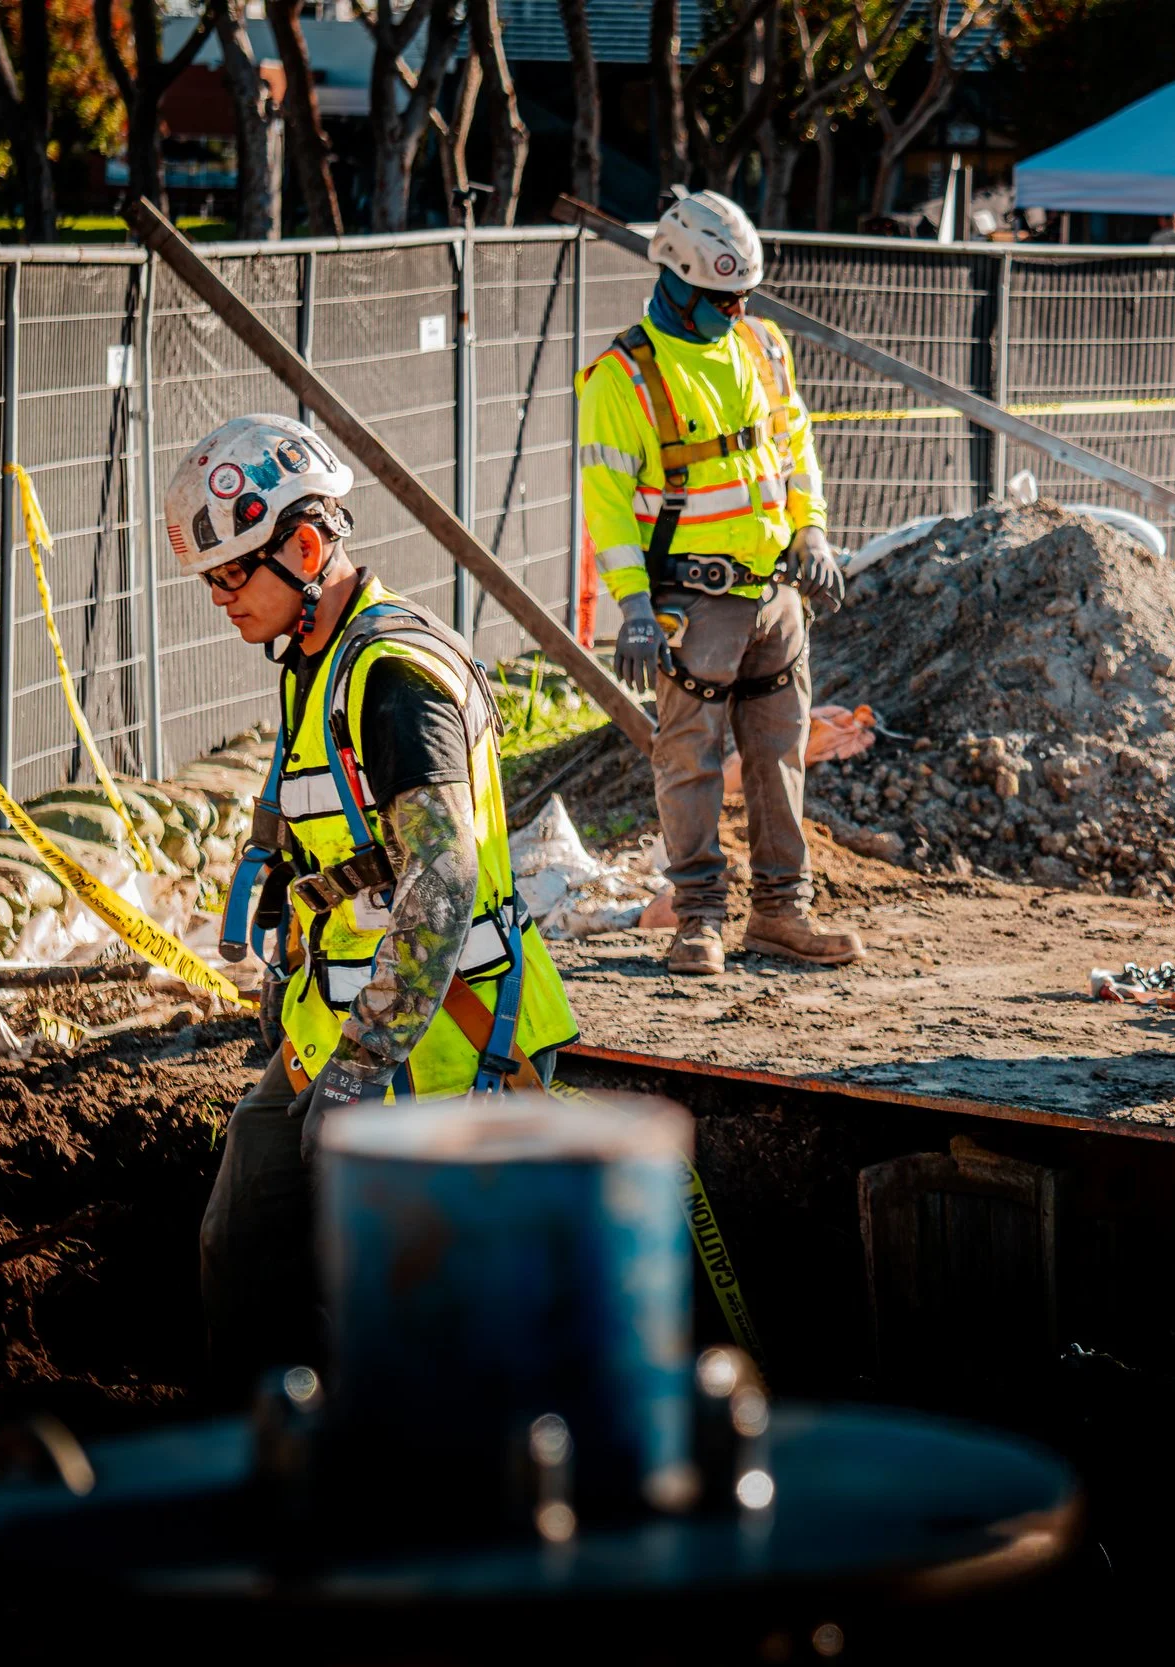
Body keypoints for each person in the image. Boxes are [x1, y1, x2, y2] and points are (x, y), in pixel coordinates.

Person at [181, 413, 581, 1385]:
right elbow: (348, 854)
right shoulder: (315, 660)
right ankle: (261, 1450)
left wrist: (362, 1065)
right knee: (252, 1208)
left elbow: (439, 884)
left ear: (306, 547)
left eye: (231, 575)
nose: (219, 600)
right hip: (350, 1027)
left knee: (417, 1319)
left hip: (446, 1046)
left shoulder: (394, 678)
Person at [577, 187, 865, 976]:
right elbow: (607, 508)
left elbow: (794, 448)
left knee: (779, 759)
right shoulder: (622, 377)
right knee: (690, 763)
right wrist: (632, 608)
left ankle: (782, 913)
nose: (732, 313)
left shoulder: (764, 348)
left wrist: (811, 529)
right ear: (670, 275)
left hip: (774, 598)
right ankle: (697, 919)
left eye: (741, 298)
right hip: (690, 606)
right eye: (717, 299)